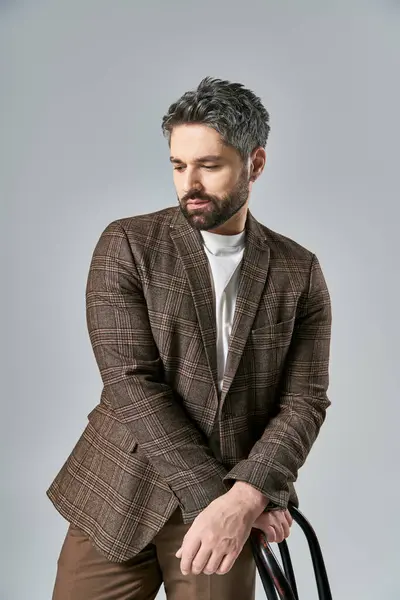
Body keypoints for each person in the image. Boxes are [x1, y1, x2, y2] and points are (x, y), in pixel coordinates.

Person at [47, 76, 332, 600]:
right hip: (121, 488)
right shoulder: (127, 244)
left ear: (256, 164)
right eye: (179, 166)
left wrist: (251, 490)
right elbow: (131, 383)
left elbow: (305, 400)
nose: (190, 183)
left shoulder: (299, 270)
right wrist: (230, 502)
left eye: (210, 165)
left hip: (229, 500)